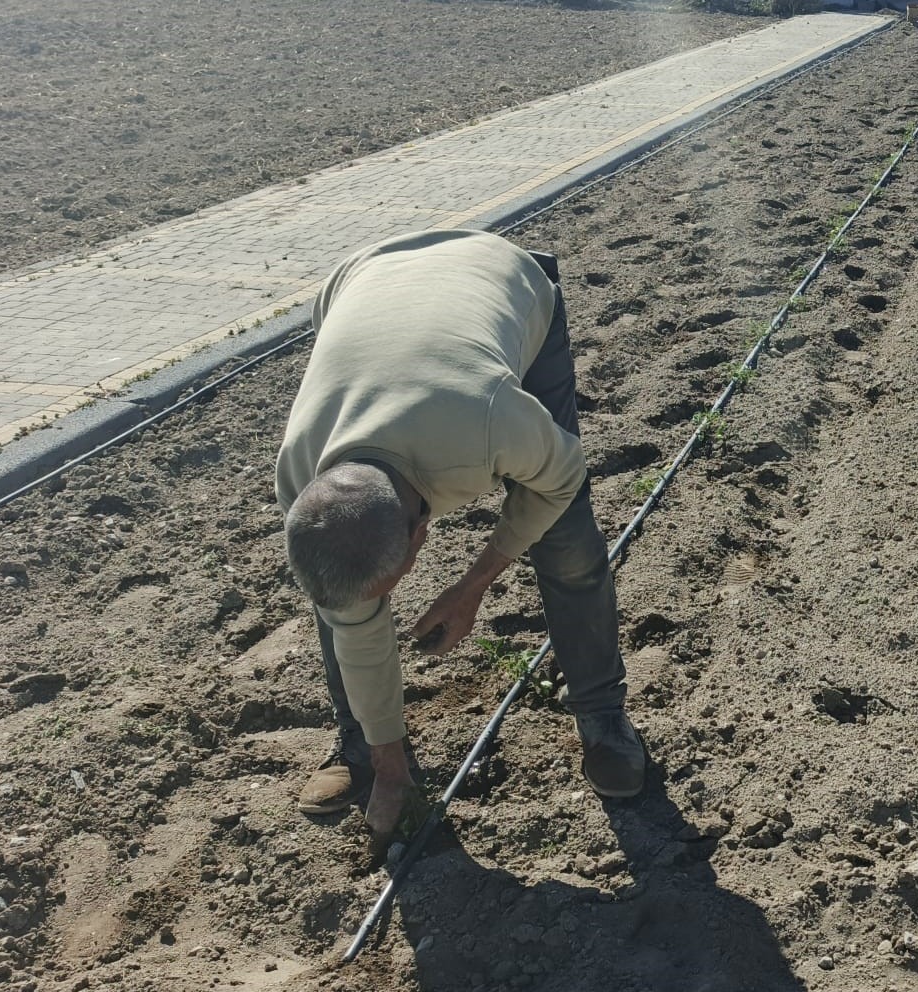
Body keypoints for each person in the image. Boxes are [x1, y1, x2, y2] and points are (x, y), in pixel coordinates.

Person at [276, 229, 649, 844]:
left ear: (423, 533)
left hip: (504, 280)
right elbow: (353, 619)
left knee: (567, 541)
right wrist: (393, 772)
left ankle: (603, 716)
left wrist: (474, 583)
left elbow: (561, 477)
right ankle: (367, 752)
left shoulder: (489, 420)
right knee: (340, 587)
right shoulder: (300, 470)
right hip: (362, 277)